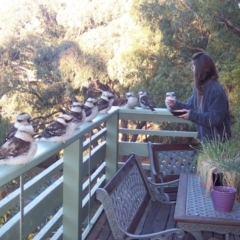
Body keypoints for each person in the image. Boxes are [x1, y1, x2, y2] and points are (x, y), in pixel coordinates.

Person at [166, 52, 231, 143]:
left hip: (219, 147)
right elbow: (190, 108)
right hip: (207, 145)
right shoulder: (201, 89)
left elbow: (215, 118)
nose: (192, 70)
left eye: (193, 67)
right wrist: (174, 105)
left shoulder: (215, 90)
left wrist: (192, 115)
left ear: (200, 70)